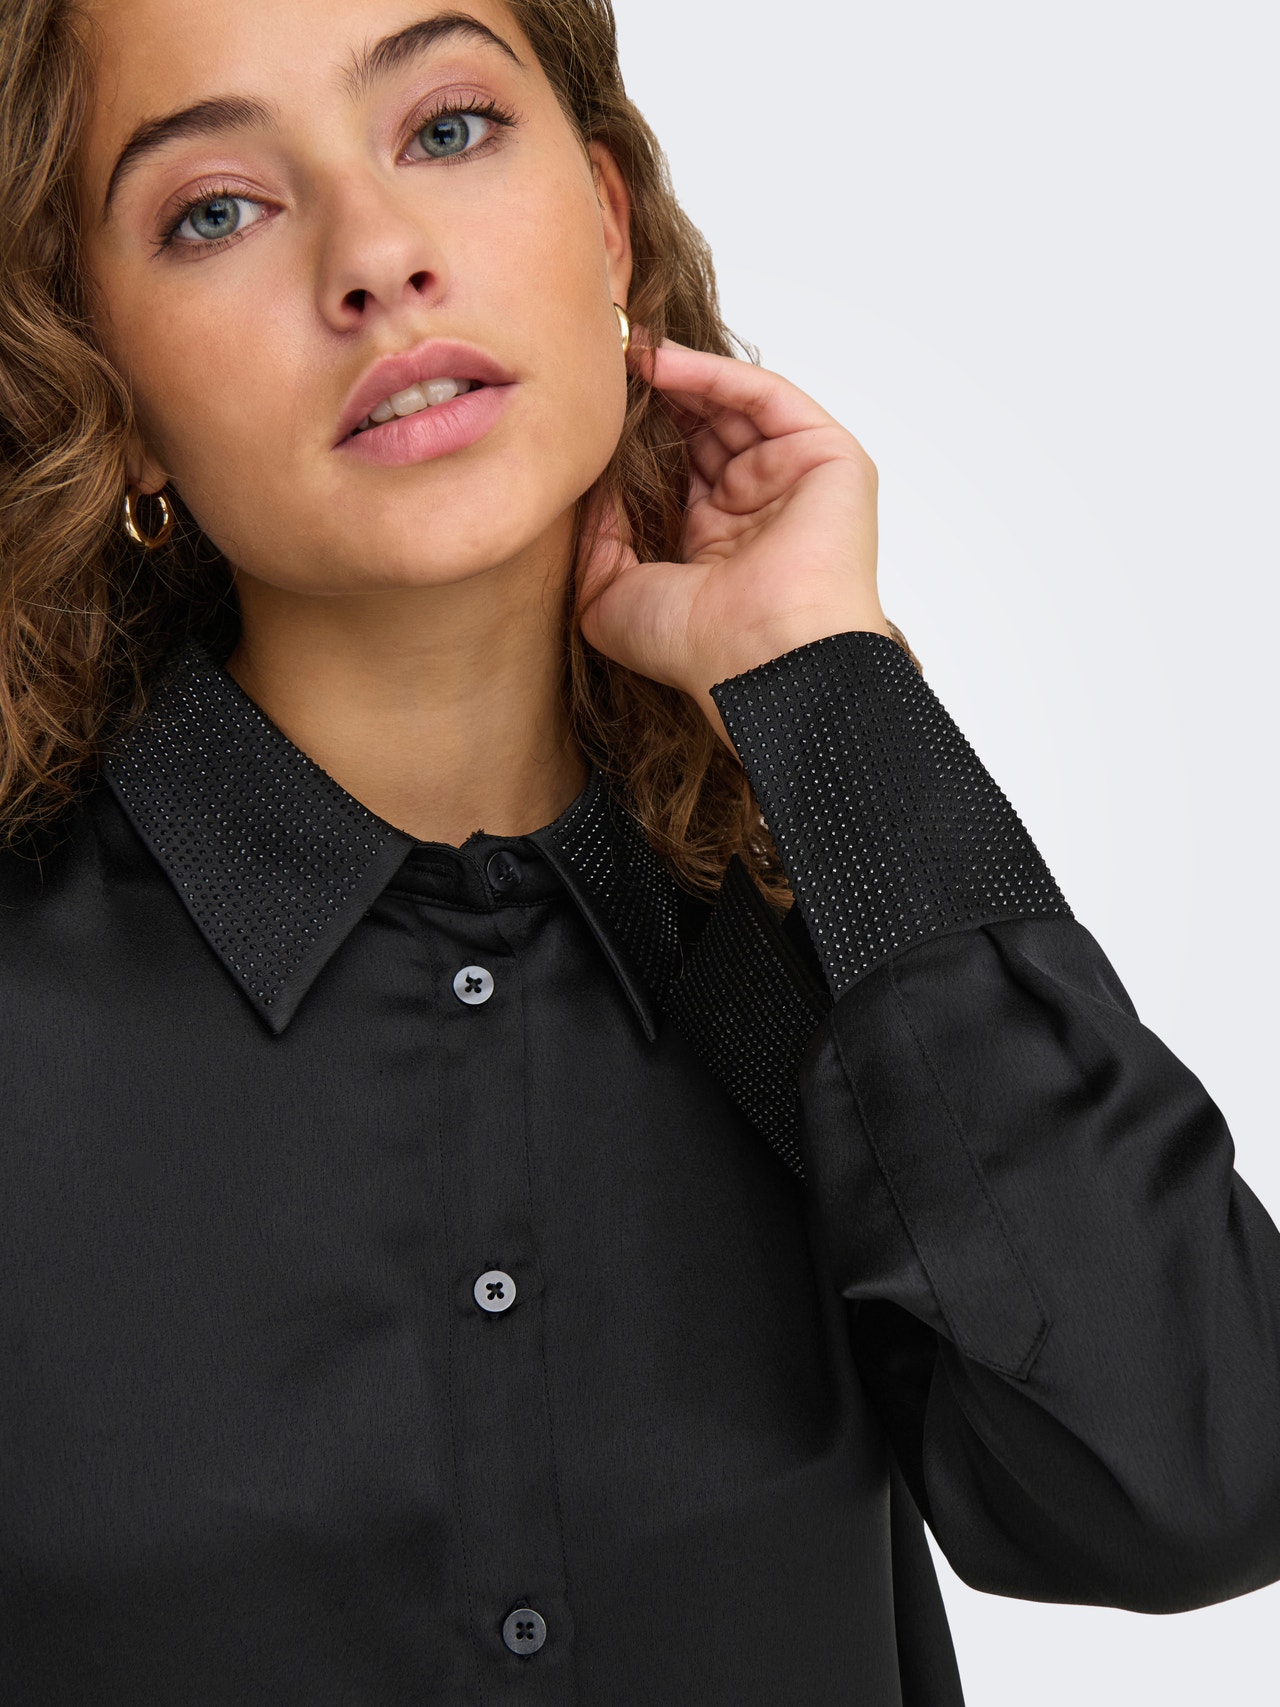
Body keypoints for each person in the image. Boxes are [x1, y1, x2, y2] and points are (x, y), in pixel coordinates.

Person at [0, 0, 1277, 1701]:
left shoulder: (829, 992)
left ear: (606, 223)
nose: (375, 258)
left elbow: (1191, 1487)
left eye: (447, 127)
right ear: (111, 385)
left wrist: (826, 690)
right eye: (215, 210)